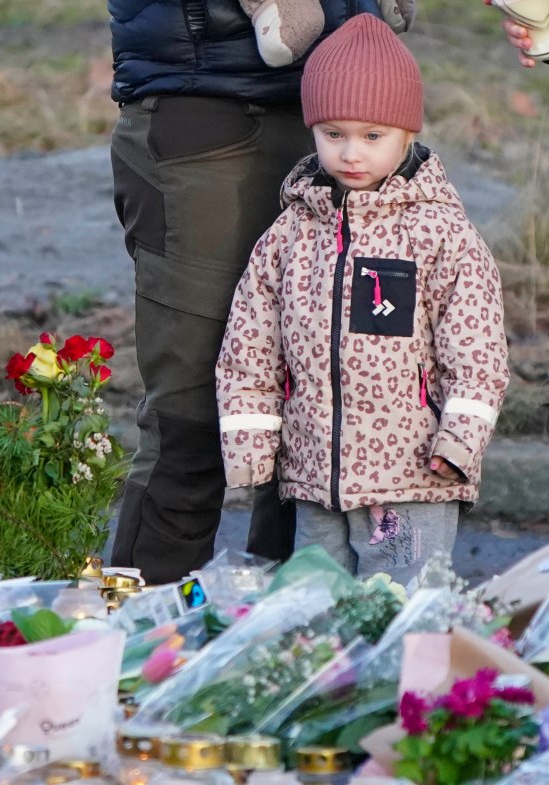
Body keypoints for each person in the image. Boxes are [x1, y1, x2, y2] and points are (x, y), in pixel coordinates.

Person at [108, 0, 405, 585]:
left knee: (327, 410)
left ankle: (289, 653)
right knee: (192, 420)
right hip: (207, 104)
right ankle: (141, 649)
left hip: (342, 103)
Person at [215, 13, 510, 583]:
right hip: (313, 479)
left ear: (406, 134)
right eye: (333, 134)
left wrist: (460, 441)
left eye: (373, 136)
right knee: (318, 611)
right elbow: (249, 348)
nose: (352, 153)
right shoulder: (288, 235)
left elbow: (477, 354)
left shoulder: (441, 235)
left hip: (414, 476)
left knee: (403, 615)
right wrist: (251, 448)